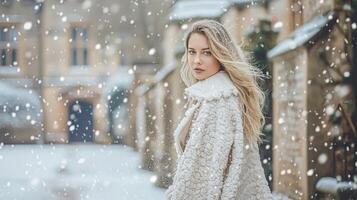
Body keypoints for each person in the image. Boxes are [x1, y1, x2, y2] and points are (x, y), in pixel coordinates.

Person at [165, 20, 273, 200]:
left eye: (206, 53)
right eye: (192, 52)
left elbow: (206, 178)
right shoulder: (213, 94)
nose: (196, 60)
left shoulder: (219, 98)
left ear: (221, 54)